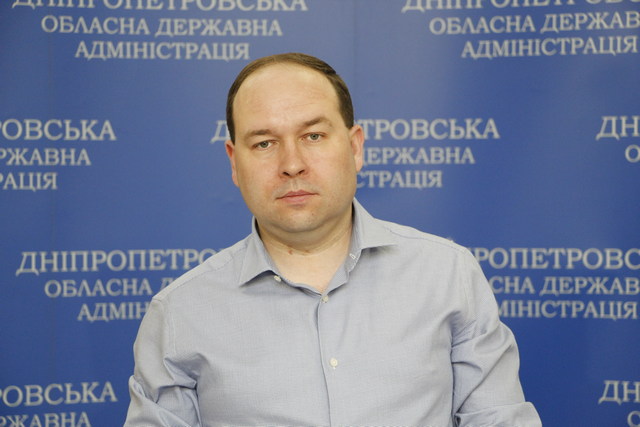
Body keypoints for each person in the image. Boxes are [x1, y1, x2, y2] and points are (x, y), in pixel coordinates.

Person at [125, 52, 542, 426]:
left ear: (355, 147)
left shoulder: (448, 275)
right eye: (264, 143)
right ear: (235, 162)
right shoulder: (180, 313)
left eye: (313, 136)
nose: (292, 164)